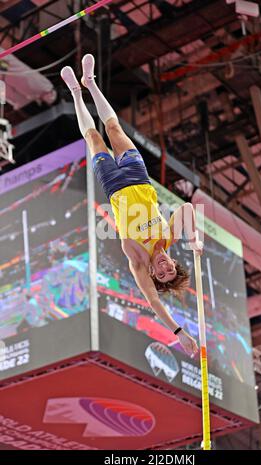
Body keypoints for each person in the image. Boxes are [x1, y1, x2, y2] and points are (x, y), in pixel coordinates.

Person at [61, 54, 203, 357]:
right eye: (170, 269)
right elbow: (189, 209)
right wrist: (194, 239)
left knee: (95, 137)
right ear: (174, 263)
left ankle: (75, 91)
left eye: (161, 274)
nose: (165, 268)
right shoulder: (169, 238)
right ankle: (91, 83)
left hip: (113, 185)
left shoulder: (138, 262)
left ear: (153, 272)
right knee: (114, 129)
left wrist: (179, 333)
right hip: (139, 177)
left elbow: (154, 302)